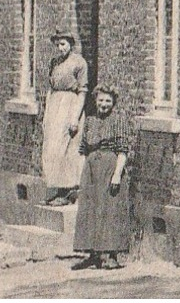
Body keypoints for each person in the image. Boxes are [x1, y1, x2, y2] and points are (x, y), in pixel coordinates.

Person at [71, 86, 133, 271]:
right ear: (95, 100)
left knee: (110, 209)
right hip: (91, 169)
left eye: (108, 101)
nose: (104, 104)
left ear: (113, 103)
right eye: (101, 100)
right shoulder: (89, 121)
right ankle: (92, 255)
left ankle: (111, 256)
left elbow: (122, 151)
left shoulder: (118, 121)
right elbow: (83, 149)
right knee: (90, 208)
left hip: (109, 167)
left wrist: (117, 175)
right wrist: (80, 174)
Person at [41, 32, 88, 206]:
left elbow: (83, 91)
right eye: (58, 45)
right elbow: (50, 89)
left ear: (70, 44)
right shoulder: (54, 63)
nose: (61, 48)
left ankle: (68, 191)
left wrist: (75, 117)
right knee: (52, 147)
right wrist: (46, 114)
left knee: (67, 147)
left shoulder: (79, 63)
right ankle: (56, 188)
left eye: (63, 44)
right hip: (55, 105)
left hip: (70, 104)